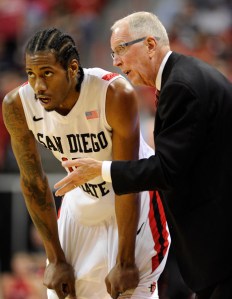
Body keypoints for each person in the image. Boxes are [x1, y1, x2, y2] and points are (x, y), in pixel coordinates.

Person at [54, 11, 232, 299]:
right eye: (112, 53)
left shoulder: (181, 85)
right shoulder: (184, 76)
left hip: (220, 244)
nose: (116, 62)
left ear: (150, 44)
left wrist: (101, 170)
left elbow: (166, 169)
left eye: (121, 49)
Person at [2, 27, 170, 299]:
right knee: (62, 290)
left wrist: (125, 261)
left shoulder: (114, 93)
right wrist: (55, 258)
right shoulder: (17, 105)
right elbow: (33, 183)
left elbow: (127, 178)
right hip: (81, 199)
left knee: (127, 290)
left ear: (72, 68)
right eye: (31, 75)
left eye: (47, 74)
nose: (38, 86)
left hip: (132, 197)